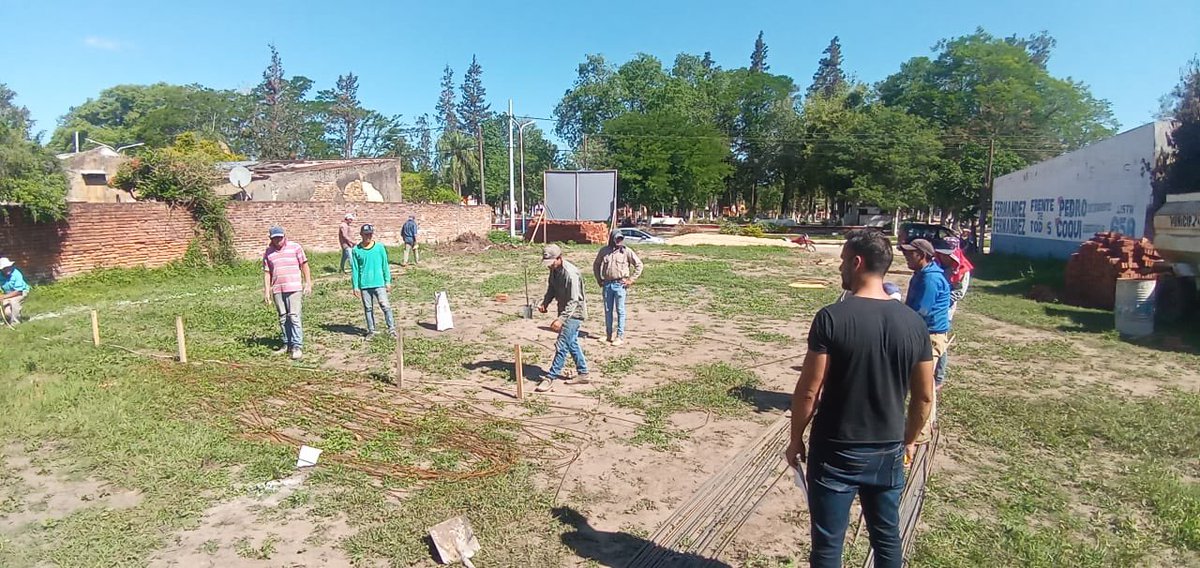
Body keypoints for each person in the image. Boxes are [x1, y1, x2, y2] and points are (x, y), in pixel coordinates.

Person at [785, 229, 935, 568]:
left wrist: (795, 440)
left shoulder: (831, 318)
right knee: (886, 539)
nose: (839, 269)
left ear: (856, 262)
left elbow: (809, 390)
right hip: (887, 449)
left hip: (835, 450)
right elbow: (924, 397)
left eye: (842, 261)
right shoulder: (914, 324)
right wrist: (907, 442)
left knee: (827, 546)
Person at [899, 238, 952, 444]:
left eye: (910, 253)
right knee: (921, 383)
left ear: (922, 255)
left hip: (928, 336)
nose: (905, 256)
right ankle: (921, 424)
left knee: (923, 386)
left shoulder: (929, 280)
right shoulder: (922, 274)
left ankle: (921, 432)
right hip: (922, 332)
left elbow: (921, 310)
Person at [536, 244, 590, 392]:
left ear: (559, 258)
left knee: (561, 345)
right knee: (571, 343)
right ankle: (583, 373)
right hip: (564, 311)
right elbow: (551, 288)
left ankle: (550, 377)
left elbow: (574, 301)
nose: (549, 266)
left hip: (574, 313)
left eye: (551, 262)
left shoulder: (570, 274)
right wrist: (545, 303)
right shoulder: (554, 270)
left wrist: (561, 319)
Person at [263, 226, 313, 360]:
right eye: (275, 238)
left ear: (284, 236)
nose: (278, 240)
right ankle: (287, 343)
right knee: (283, 317)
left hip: (294, 287)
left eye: (280, 237)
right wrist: (267, 291)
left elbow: (304, 265)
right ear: (271, 239)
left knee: (294, 316)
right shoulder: (269, 252)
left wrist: (308, 282)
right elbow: (267, 273)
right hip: (278, 288)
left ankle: (297, 345)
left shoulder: (295, 247)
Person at [592, 230, 644, 346]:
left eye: (621, 239)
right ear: (612, 238)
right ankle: (608, 335)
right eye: (617, 238)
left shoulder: (626, 251)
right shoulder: (604, 251)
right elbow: (596, 264)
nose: (619, 241)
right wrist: (598, 278)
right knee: (608, 310)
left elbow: (639, 265)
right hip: (607, 284)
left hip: (620, 284)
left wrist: (631, 279)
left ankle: (619, 336)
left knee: (620, 310)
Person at [350, 223, 396, 338]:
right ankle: (371, 330)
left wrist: (388, 281)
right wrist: (355, 286)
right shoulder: (356, 250)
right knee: (368, 308)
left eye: (370, 234)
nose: (368, 237)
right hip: (365, 285)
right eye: (366, 234)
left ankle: (391, 329)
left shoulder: (379, 247)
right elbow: (355, 269)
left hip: (379, 283)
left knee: (385, 306)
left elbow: (385, 264)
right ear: (361, 234)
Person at [0, 258, 30, 325]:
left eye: (8, 267)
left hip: (21, 292)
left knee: (14, 302)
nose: (8, 269)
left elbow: (19, 291)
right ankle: (9, 320)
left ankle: (15, 323)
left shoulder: (16, 274)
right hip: (8, 294)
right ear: (2, 269)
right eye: (5, 268)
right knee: (7, 312)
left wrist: (4, 296)